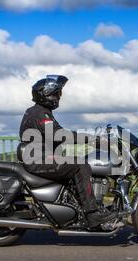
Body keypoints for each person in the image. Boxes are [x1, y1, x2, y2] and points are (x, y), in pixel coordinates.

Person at [19, 75, 116, 228]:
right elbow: (60, 134)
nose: (58, 97)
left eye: (59, 94)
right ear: (45, 94)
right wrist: (94, 140)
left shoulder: (41, 112)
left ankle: (78, 208)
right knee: (79, 165)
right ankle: (92, 214)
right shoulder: (39, 113)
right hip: (39, 160)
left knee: (76, 161)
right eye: (56, 94)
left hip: (42, 158)